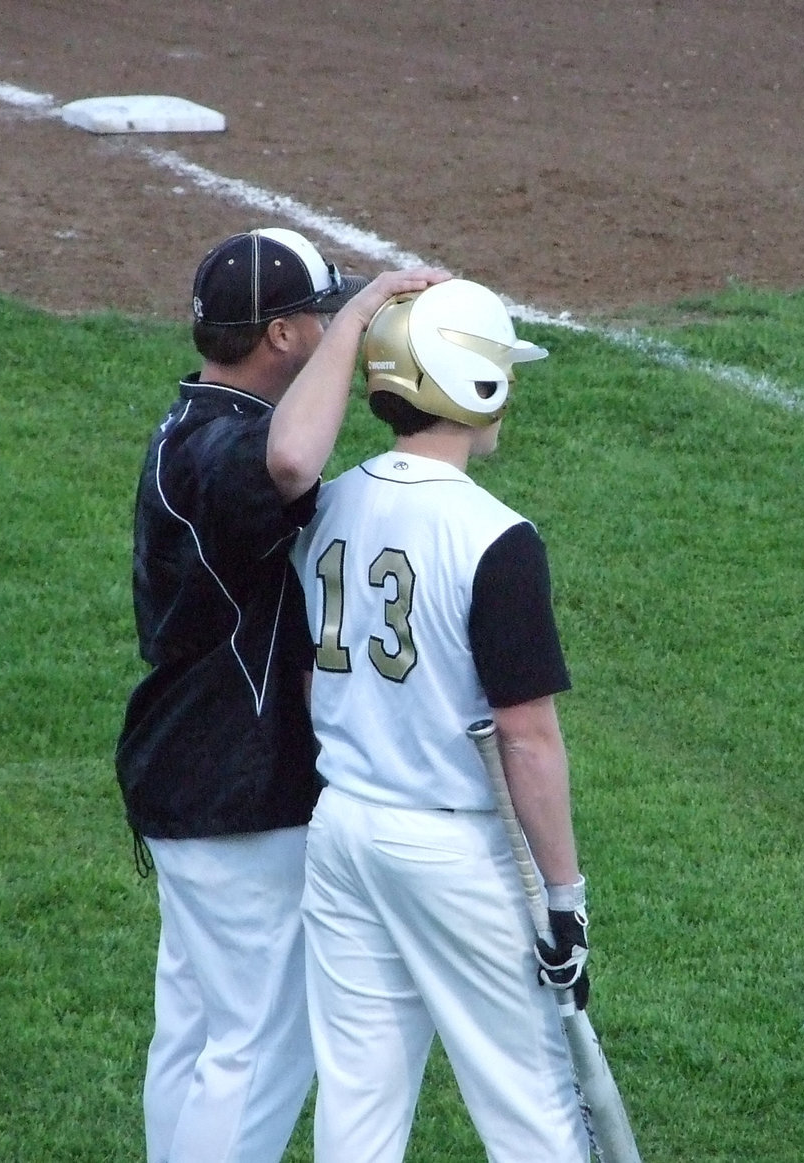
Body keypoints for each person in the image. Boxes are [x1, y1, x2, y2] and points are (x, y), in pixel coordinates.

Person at [114, 226, 449, 1163]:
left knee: (194, 1029)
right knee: (259, 1043)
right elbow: (293, 466)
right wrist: (364, 319)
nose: (332, 321)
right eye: (319, 313)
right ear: (282, 337)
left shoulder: (193, 422)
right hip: (235, 783)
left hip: (187, 767)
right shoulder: (226, 447)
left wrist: (341, 322)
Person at [289, 278, 592, 1162]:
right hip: (455, 854)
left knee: (358, 1107)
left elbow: (313, 673)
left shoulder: (331, 503)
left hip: (342, 831)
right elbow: (526, 734)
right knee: (532, 1106)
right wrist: (565, 894)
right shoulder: (496, 535)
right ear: (472, 383)